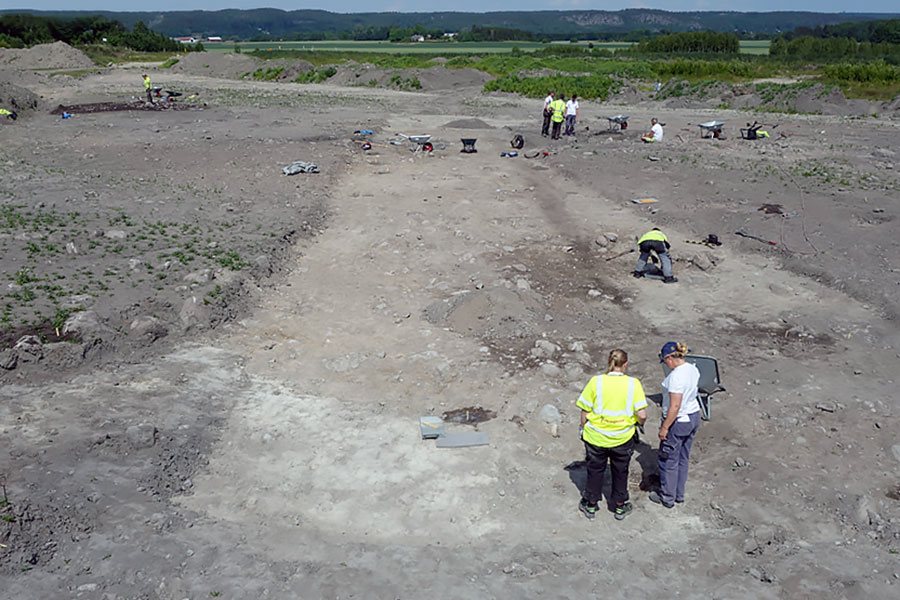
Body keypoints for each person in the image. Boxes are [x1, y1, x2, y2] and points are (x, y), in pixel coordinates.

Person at [576, 349, 648, 521]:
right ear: (625, 364)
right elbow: (642, 414)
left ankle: (591, 504)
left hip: (596, 437)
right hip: (622, 437)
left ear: (609, 362)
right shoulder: (633, 384)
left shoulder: (596, 382)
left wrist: (582, 428)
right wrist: (640, 424)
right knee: (621, 471)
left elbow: (585, 410)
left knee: (595, 469)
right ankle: (620, 506)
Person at [650, 341, 702, 509]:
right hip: (694, 416)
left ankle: (667, 497)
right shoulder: (692, 369)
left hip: (678, 421)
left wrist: (665, 427)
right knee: (683, 457)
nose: (665, 365)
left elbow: (675, 406)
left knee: (669, 460)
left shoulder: (675, 377)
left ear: (670, 358)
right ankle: (679, 494)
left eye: (665, 361)